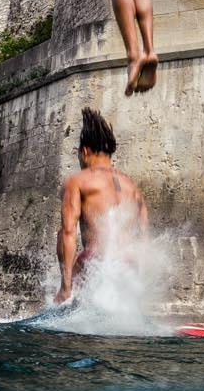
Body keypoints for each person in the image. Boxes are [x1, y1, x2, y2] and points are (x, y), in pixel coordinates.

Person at [56, 106, 148, 302]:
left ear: (85, 151)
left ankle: (67, 299)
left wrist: (66, 287)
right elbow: (143, 239)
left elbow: (68, 232)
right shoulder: (132, 187)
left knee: (60, 233)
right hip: (128, 264)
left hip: (95, 260)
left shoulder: (78, 181)